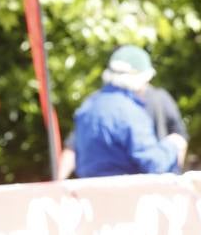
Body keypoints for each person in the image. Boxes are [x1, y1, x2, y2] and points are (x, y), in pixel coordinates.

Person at [70, 46, 186, 178]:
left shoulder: (89, 106)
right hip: (123, 193)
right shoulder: (130, 112)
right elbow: (153, 164)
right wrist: (172, 145)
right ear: (138, 80)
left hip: (89, 192)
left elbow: (76, 153)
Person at [56, 78, 187, 179]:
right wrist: (172, 146)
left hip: (94, 192)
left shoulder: (91, 104)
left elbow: (72, 148)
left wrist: (58, 182)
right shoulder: (129, 109)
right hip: (132, 190)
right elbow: (153, 162)